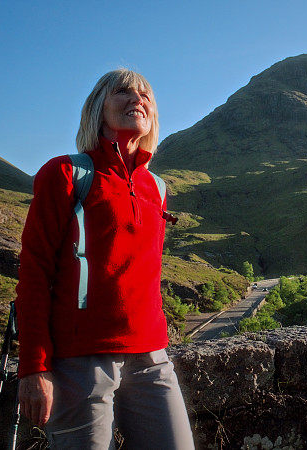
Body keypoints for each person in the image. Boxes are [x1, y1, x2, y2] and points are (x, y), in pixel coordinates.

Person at [15, 69, 195, 449]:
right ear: (99, 107)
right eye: (122, 92)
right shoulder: (65, 173)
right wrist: (33, 366)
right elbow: (34, 274)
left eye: (145, 95)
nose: (137, 99)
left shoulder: (157, 188)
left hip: (151, 355)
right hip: (80, 360)